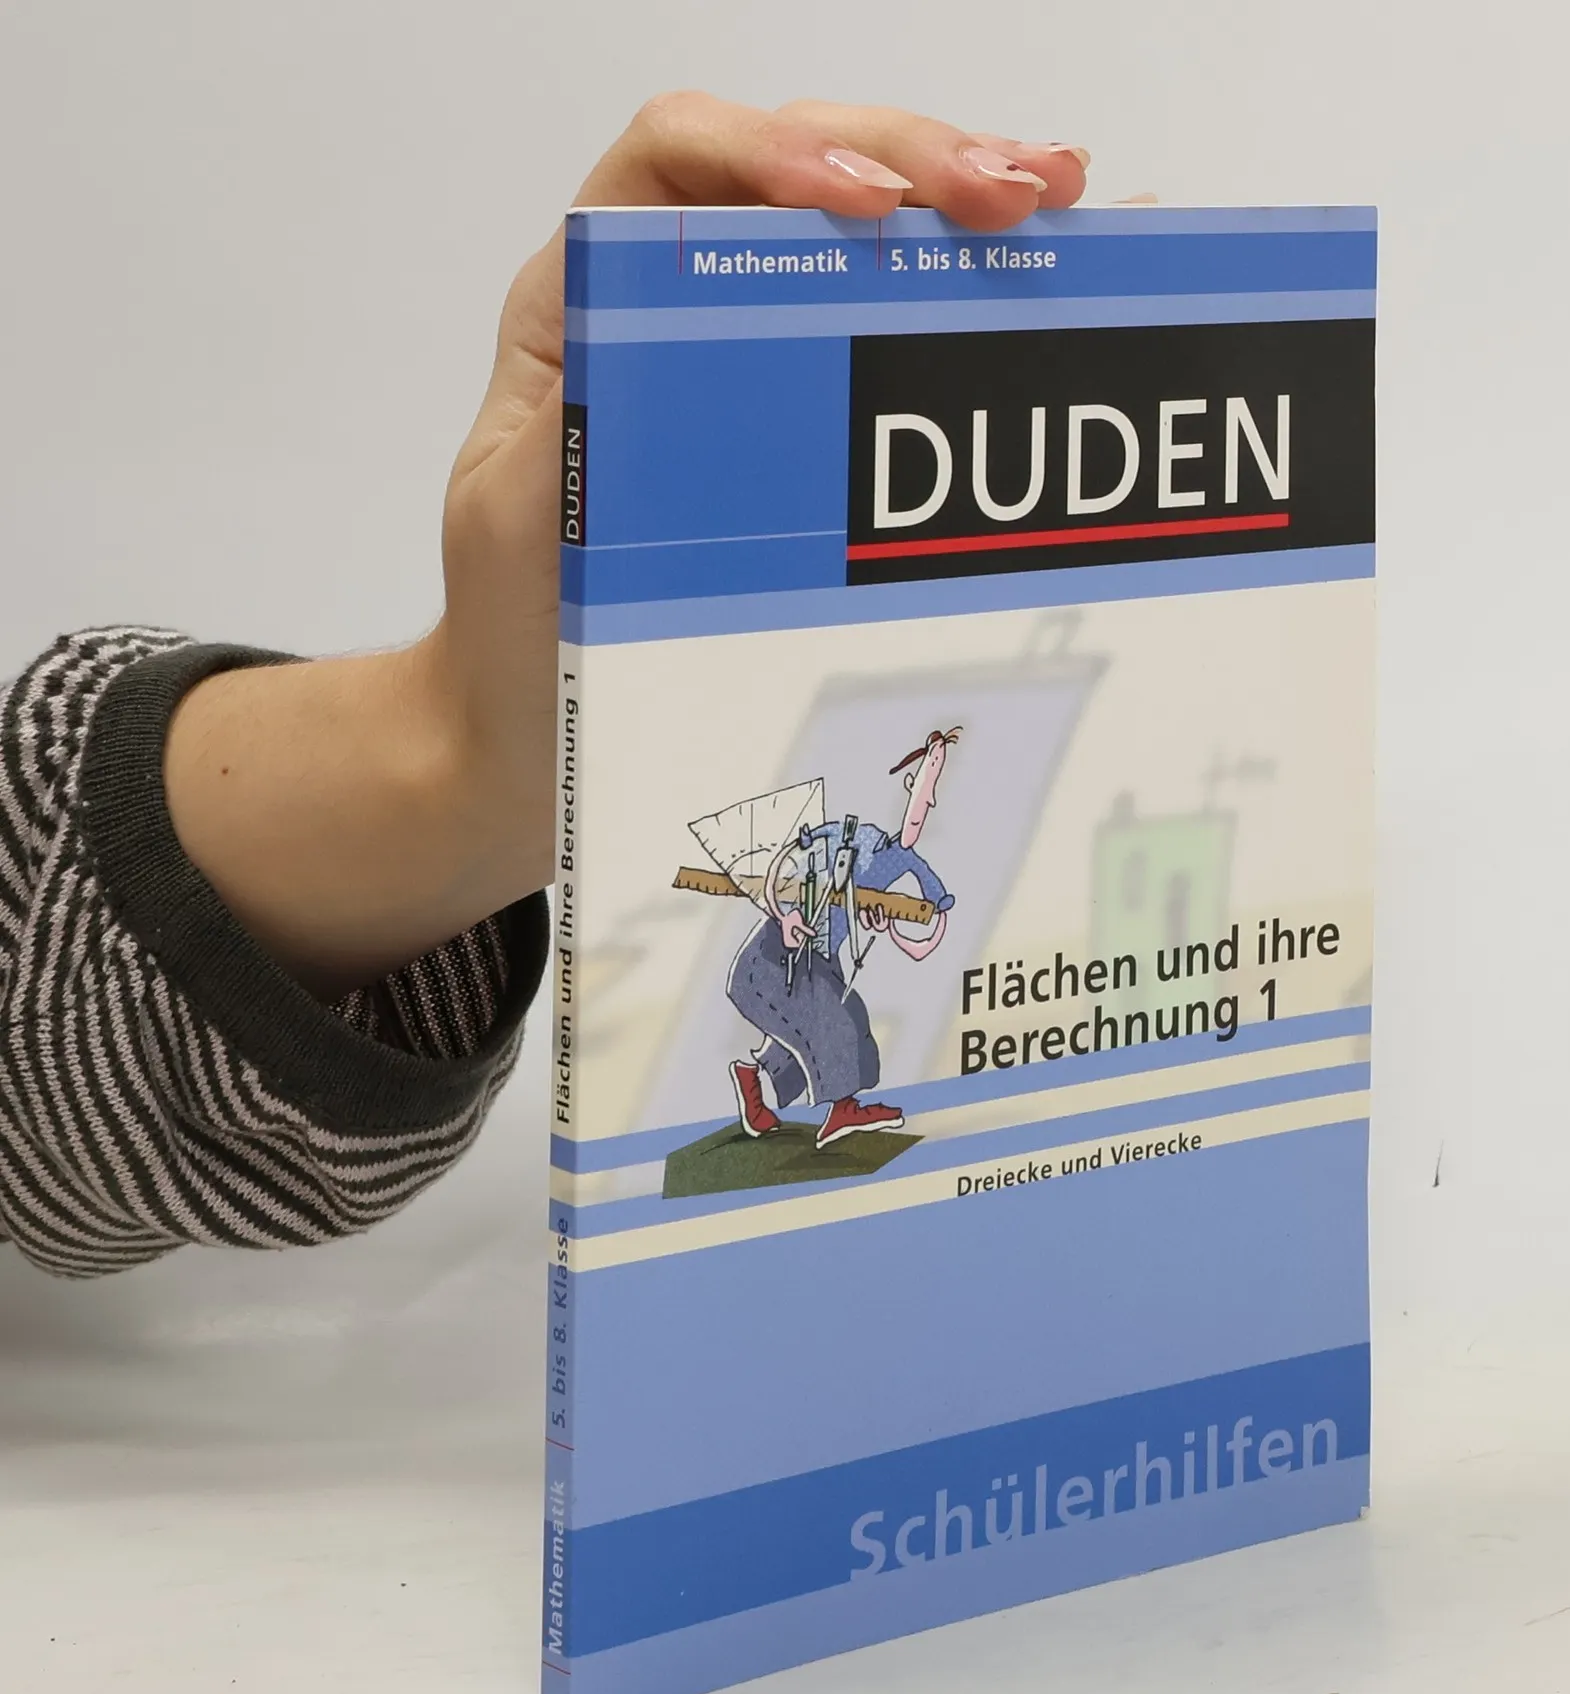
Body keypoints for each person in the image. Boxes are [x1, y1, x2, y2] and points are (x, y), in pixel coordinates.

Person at [0, 97, 1089, 1276]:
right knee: (834, 1034)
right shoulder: (825, 870)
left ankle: (777, 1096)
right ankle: (807, 1106)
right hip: (769, 971)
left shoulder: (864, 864)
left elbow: (47, 1096)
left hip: (758, 959)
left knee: (830, 1036)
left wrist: (477, 765)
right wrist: (469, 755)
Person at [729, 727, 961, 1149]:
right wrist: (785, 916)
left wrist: (881, 921)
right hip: (774, 955)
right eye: (924, 787)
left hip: (818, 960)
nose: (927, 803)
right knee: (839, 1019)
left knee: (818, 1023)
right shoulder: (851, 838)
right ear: (908, 785)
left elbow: (930, 917)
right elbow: (784, 869)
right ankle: (842, 1110)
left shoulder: (903, 861)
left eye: (933, 793)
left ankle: (755, 1082)